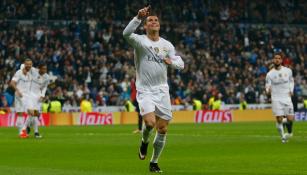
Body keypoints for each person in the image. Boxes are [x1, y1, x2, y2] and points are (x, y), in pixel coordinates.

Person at [123, 6, 184, 173]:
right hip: (145, 90)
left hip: (162, 90)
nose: (153, 22)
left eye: (156, 20)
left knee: (163, 128)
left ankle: (154, 162)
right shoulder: (140, 41)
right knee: (150, 123)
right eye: (150, 20)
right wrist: (137, 17)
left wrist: (173, 63)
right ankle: (144, 142)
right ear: (146, 25)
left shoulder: (167, 45)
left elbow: (180, 63)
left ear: (159, 25)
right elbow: (126, 34)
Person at [265, 52, 294, 143]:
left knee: (290, 119)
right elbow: (267, 86)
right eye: (275, 58)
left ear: (281, 60)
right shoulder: (269, 74)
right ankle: (283, 137)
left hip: (287, 98)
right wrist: (268, 91)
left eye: (278, 58)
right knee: (279, 119)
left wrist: (291, 90)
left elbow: (291, 81)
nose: (277, 59)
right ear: (273, 60)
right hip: (276, 98)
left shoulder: (288, 71)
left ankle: (289, 132)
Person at [19, 62, 52, 138]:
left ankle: (30, 129)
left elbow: (45, 87)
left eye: (45, 69)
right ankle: (27, 131)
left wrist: (42, 95)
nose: (44, 70)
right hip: (30, 95)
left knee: (36, 115)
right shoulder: (33, 70)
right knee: (32, 113)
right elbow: (22, 65)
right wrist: (24, 69)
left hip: (38, 97)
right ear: (39, 68)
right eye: (43, 69)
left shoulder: (47, 77)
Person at [10, 59, 33, 136]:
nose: (28, 67)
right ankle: (24, 129)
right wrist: (18, 90)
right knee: (31, 112)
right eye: (27, 65)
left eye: (30, 65)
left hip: (26, 96)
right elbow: (12, 83)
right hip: (20, 95)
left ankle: (21, 132)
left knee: (20, 113)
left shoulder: (30, 74)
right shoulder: (19, 73)